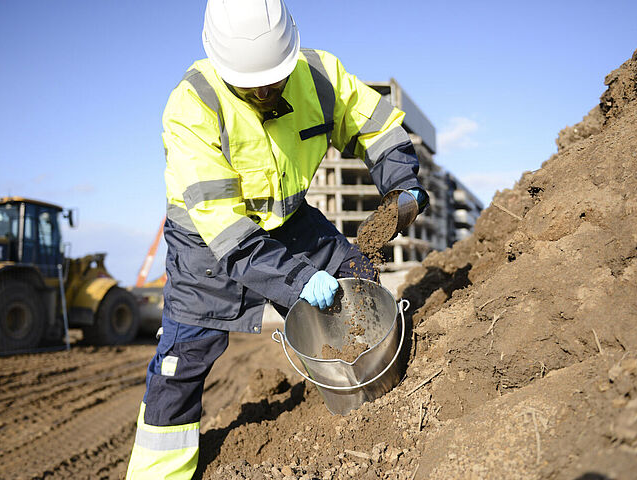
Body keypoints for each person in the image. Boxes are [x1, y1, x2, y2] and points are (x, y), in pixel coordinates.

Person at [126, 0, 428, 477]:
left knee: (354, 275)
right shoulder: (193, 105)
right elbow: (227, 231)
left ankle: (371, 399)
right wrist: (298, 279)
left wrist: (401, 183)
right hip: (208, 243)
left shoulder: (320, 75)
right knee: (181, 363)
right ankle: (159, 472)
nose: (266, 89)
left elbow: (375, 127)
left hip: (289, 220)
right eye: (252, 85)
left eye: (276, 78)